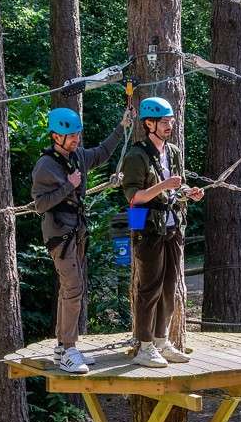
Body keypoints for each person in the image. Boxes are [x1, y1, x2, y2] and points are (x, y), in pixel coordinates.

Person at [32, 106, 130, 374]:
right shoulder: (45, 166)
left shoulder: (77, 157)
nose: (76, 139)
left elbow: (102, 152)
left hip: (77, 232)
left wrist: (121, 127)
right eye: (71, 136)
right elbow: (40, 205)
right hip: (60, 235)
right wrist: (69, 185)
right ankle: (68, 347)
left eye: (77, 134)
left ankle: (62, 347)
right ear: (56, 136)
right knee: (73, 288)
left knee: (72, 289)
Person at [120, 96, 204, 368]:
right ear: (149, 124)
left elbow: (177, 187)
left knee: (169, 287)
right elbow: (134, 197)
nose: (170, 125)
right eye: (164, 121)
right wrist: (164, 185)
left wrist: (189, 192)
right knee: (150, 288)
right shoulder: (136, 156)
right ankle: (144, 346)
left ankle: (161, 341)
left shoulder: (174, 151)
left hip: (172, 225)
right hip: (147, 227)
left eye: (171, 120)